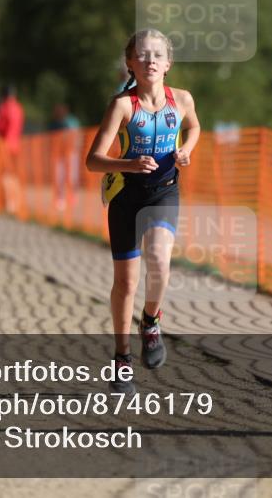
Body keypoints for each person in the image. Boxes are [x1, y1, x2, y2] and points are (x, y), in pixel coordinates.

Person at [85, 28, 200, 393]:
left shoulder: (181, 100)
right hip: (126, 197)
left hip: (164, 193)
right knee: (126, 283)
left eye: (157, 55)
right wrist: (129, 165)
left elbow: (194, 126)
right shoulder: (122, 105)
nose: (150, 60)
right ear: (130, 63)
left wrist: (187, 150)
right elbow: (93, 160)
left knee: (160, 262)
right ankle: (122, 358)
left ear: (168, 64)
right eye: (142, 55)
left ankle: (150, 321)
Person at [0, 84, 24, 213]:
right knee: (13, 174)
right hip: (16, 144)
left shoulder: (4, 108)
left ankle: (9, 203)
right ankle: (16, 201)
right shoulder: (19, 107)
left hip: (5, 145)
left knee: (5, 174)